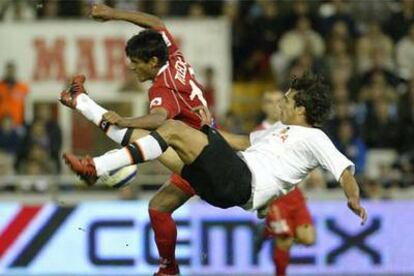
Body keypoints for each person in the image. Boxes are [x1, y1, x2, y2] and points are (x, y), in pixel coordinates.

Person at [63, 73, 368, 229]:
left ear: (301, 108)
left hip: (240, 181)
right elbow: (239, 142)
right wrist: (208, 131)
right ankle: (81, 101)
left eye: (287, 99)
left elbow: (344, 172)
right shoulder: (279, 130)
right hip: (224, 184)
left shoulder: (315, 138)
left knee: (170, 129)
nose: (281, 102)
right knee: (149, 137)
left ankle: (98, 168)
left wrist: (353, 198)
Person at [60, 4, 210, 275]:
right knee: (158, 208)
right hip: (199, 145)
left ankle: (83, 115)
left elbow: (158, 118)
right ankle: (168, 269)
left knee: (139, 134)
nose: (132, 68)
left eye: (136, 63)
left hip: (199, 157)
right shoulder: (172, 56)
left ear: (152, 62)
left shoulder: (164, 87)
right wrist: (113, 14)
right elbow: (155, 22)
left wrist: (125, 119)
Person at [254, 90, 315, 276]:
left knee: (308, 239)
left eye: (278, 101)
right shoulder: (258, 133)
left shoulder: (296, 128)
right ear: (263, 106)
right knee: (285, 240)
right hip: (274, 197)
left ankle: (266, 231)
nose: (274, 105)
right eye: (269, 101)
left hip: (295, 194)